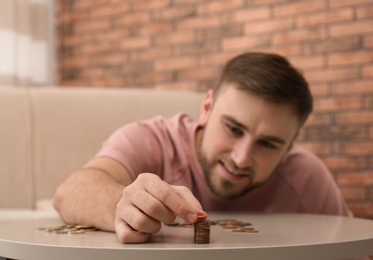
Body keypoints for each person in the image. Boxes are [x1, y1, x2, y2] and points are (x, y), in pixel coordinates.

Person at [53, 52, 351, 244]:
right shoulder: (152, 139)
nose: (241, 158)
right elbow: (70, 193)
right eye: (233, 129)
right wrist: (124, 203)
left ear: (289, 147)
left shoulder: (307, 177)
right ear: (206, 108)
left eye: (268, 144)